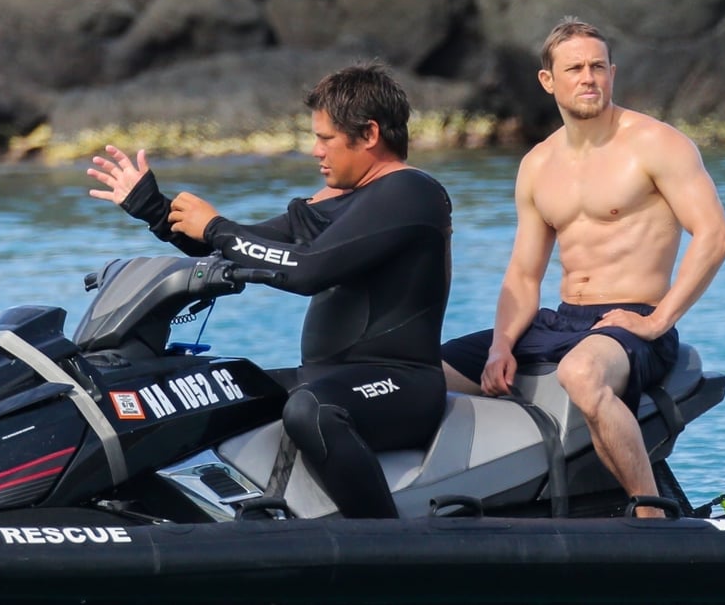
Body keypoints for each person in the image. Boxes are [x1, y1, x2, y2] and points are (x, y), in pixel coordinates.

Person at [87, 63, 453, 519]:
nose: (314, 150)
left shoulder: (411, 192)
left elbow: (306, 271)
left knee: (311, 411)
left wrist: (217, 227)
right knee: (203, 389)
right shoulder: (333, 203)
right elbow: (246, 247)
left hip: (400, 384)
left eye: (325, 138)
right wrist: (155, 211)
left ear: (370, 133)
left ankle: (384, 541)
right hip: (323, 376)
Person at [441, 18, 725, 518]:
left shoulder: (656, 144)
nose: (588, 78)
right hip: (562, 320)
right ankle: (474, 503)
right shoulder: (537, 163)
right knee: (422, 372)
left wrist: (656, 321)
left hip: (631, 322)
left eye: (598, 66)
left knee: (579, 372)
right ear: (548, 81)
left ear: (613, 73)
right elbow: (523, 274)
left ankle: (652, 516)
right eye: (574, 68)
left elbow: (715, 237)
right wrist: (501, 346)